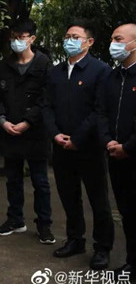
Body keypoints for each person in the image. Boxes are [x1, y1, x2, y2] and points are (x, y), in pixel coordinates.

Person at [42, 20, 114, 269]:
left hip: (89, 147)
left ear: (89, 42)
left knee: (98, 200)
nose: (69, 40)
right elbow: (46, 106)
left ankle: (102, 247)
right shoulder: (56, 72)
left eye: (75, 36)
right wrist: (55, 134)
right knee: (69, 196)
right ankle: (75, 240)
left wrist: (78, 138)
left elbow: (100, 110)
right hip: (61, 147)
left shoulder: (101, 70)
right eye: (67, 36)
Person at [0, 19, 55, 244]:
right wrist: (2, 120)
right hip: (9, 131)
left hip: (35, 132)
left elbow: (47, 99)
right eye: (14, 37)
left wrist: (28, 121)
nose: (17, 41)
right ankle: (15, 220)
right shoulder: (3, 66)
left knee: (40, 182)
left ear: (32, 39)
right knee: (13, 180)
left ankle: (44, 225)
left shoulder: (44, 65)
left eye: (21, 37)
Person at [98, 22, 136, 281]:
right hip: (115, 155)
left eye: (118, 39)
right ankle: (132, 262)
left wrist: (128, 147)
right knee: (127, 213)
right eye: (113, 38)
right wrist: (108, 141)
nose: (113, 44)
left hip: (132, 154)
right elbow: (101, 112)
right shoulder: (112, 77)